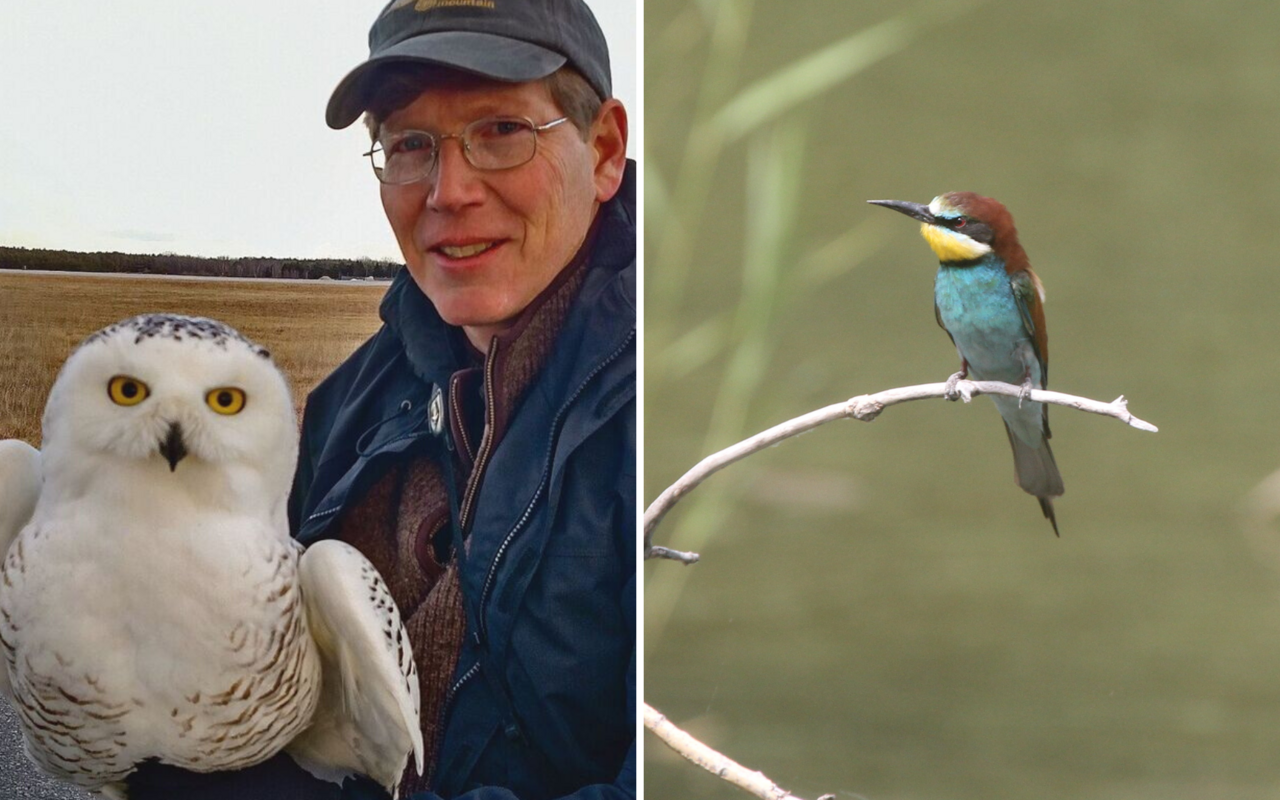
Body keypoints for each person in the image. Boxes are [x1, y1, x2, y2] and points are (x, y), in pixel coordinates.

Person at [126, 1, 634, 798]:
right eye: (409, 144)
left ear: (604, 150)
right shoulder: (346, 407)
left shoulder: (667, 400)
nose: (448, 190)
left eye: (501, 130)